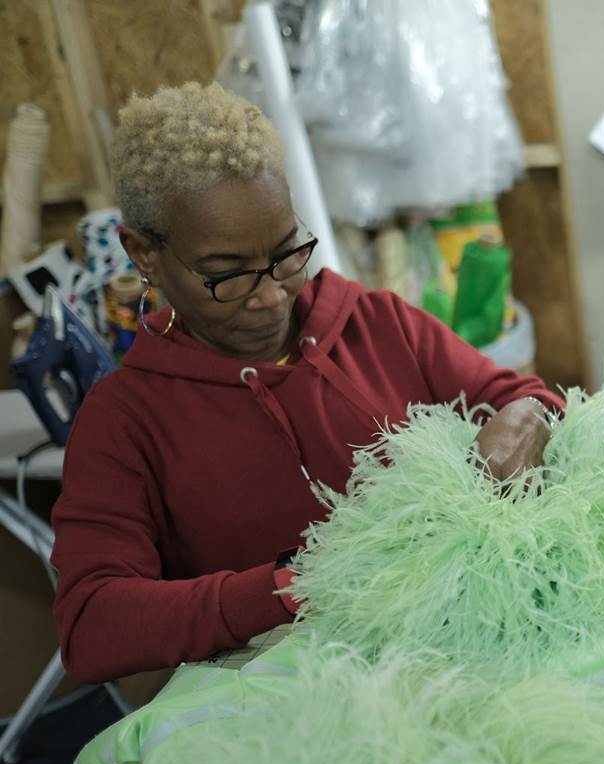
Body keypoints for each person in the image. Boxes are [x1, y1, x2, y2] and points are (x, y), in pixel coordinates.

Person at [51, 83, 562, 684]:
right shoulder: (125, 419)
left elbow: (525, 396)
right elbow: (92, 625)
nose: (271, 296)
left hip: (474, 654)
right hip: (298, 700)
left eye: (288, 253)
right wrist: (299, 583)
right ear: (145, 255)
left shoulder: (376, 324)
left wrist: (526, 420)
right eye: (228, 274)